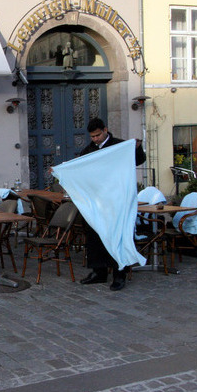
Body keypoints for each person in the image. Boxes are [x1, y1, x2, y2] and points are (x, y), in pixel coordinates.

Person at [78, 118, 146, 291]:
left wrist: (137, 149)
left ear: (105, 130)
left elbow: (138, 161)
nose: (95, 139)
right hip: (98, 202)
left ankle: (119, 274)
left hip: (117, 201)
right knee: (96, 237)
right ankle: (98, 272)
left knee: (118, 236)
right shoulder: (88, 150)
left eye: (98, 135)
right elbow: (79, 168)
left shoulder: (119, 146)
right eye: (92, 136)